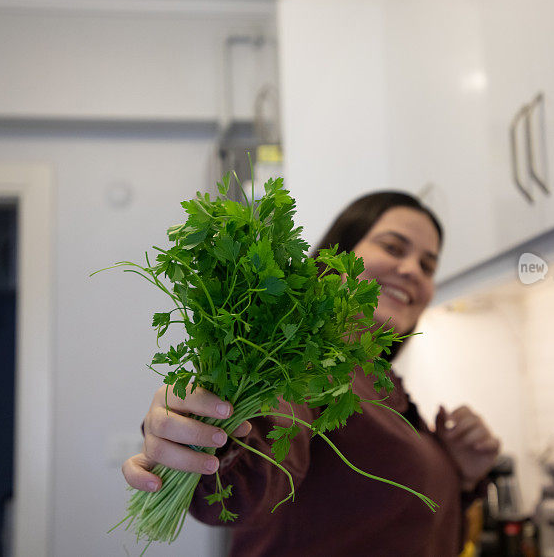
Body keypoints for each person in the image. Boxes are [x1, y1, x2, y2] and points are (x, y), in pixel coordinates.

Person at [122, 192, 501, 556]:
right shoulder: (305, 363)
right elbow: (250, 476)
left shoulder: (380, 382)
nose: (411, 270)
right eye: (393, 248)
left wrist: (459, 474)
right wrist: (203, 437)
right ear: (336, 255)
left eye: (428, 266)